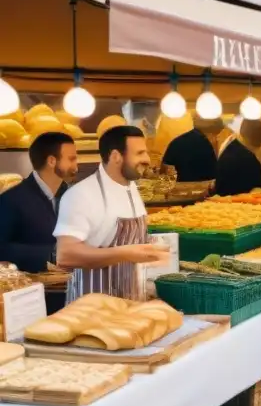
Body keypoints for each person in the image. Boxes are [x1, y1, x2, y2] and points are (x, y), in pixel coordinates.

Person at [55, 125, 168, 302]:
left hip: (131, 301)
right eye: (139, 153)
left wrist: (150, 246)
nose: (147, 159)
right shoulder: (80, 195)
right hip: (92, 308)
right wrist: (126, 253)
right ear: (116, 156)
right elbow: (66, 256)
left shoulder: (131, 187)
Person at [0, 132, 78, 273]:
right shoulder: (10, 200)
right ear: (52, 161)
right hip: (35, 291)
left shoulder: (76, 197)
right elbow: (2, 248)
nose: (76, 165)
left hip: (78, 286)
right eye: (71, 159)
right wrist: (50, 254)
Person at [216, 119, 261, 196]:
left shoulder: (230, 148)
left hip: (222, 203)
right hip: (239, 205)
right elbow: (258, 193)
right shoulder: (247, 159)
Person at [161, 117, 221, 183]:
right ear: (212, 132)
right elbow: (216, 176)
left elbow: (164, 169)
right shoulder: (206, 144)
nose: (216, 139)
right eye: (216, 135)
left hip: (178, 188)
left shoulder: (177, 141)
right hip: (203, 189)